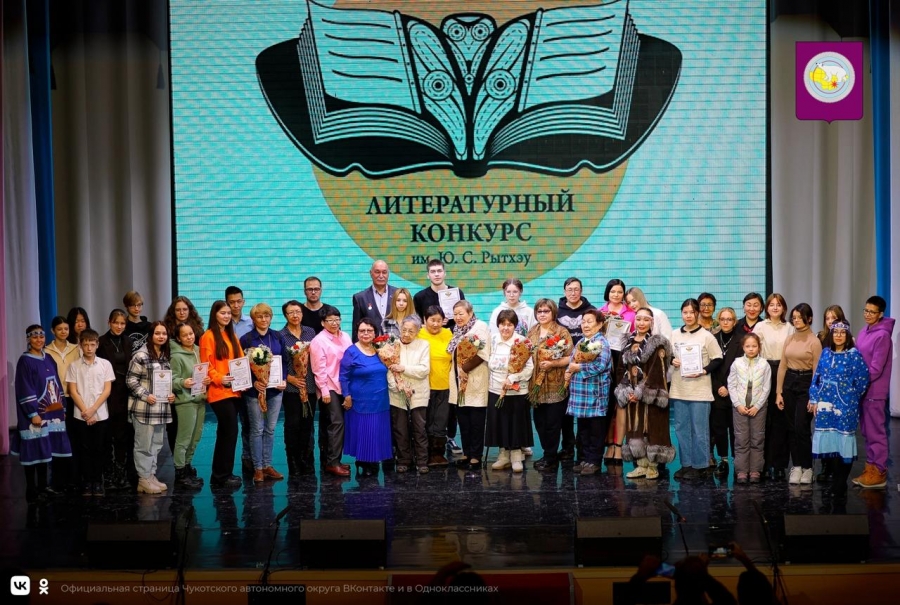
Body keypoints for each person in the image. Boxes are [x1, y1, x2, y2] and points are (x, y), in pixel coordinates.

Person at [810, 321, 869, 497]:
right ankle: (835, 481)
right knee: (832, 442)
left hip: (846, 405)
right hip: (825, 403)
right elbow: (817, 377)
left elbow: (863, 378)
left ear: (847, 335)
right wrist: (814, 397)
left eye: (842, 333)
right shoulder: (826, 353)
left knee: (844, 442)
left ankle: (840, 483)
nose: (838, 335)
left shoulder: (854, 355)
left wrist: (851, 395)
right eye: (835, 332)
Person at [14, 325, 72, 503]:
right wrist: (32, 413)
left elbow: (56, 383)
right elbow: (24, 388)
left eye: (41, 336)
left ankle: (43, 486)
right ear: (28, 339)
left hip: (51, 412)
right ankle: (31, 490)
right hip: (36, 414)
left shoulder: (48, 358)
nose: (39, 340)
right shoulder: (25, 361)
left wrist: (62, 407)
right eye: (35, 337)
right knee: (34, 450)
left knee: (45, 449)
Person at [616, 307, 674, 480]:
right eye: (639, 319)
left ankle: (653, 466)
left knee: (652, 428)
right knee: (636, 429)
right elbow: (621, 369)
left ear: (652, 322)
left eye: (646, 319)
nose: (641, 323)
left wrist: (640, 392)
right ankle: (641, 465)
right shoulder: (627, 343)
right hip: (632, 396)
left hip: (650, 394)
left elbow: (657, 372)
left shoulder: (657, 343)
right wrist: (626, 391)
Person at [671, 299, 723, 481]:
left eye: (692, 312)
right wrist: (671, 360)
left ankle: (700, 465)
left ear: (697, 314)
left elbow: (718, 359)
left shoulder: (707, 336)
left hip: (700, 390)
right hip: (679, 389)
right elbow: (668, 355)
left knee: (699, 430)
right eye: (685, 312)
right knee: (681, 429)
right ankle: (686, 464)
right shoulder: (674, 334)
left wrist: (704, 370)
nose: (688, 316)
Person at [240, 303, 288, 483]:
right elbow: (242, 366)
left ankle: (267, 465)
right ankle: (258, 468)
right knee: (257, 429)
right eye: (260, 316)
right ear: (253, 319)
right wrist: (253, 382)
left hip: (275, 391)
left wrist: (283, 379)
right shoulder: (246, 339)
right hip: (254, 392)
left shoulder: (277, 336)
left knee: (270, 429)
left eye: (267, 316)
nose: (264, 319)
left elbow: (284, 361)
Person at [127, 321, 176, 494]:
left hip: (160, 410)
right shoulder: (141, 355)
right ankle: (143, 478)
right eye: (157, 333)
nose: (161, 336)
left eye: (164, 333)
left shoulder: (164, 356)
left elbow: (165, 382)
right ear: (151, 335)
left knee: (156, 444)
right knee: (144, 445)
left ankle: (151, 475)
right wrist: (145, 395)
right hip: (144, 410)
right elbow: (131, 380)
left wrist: (170, 394)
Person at [199, 300, 244, 488]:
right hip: (219, 392)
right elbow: (206, 366)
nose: (226, 316)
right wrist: (219, 378)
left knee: (229, 433)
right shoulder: (208, 336)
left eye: (228, 313)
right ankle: (221, 476)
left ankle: (223, 473)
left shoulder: (231, 335)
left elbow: (240, 361)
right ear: (214, 315)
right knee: (229, 431)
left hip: (234, 391)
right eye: (222, 313)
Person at [775, 303, 822, 485]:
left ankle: (808, 467)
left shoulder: (814, 341)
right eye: (793, 317)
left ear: (809, 318)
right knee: (791, 428)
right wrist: (779, 392)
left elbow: (817, 371)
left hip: (806, 383)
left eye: (800, 317)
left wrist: (814, 396)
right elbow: (782, 366)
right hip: (789, 383)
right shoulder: (789, 339)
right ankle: (796, 466)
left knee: (801, 426)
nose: (796, 320)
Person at [340, 318, 393, 477]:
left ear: (375, 333)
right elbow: (343, 376)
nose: (366, 334)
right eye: (362, 331)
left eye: (369, 330)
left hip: (382, 400)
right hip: (361, 402)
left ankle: (376, 460)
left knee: (377, 432)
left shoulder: (381, 349)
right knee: (365, 433)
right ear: (357, 333)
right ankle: (364, 462)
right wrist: (347, 396)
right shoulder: (351, 352)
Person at [66, 328, 114, 497]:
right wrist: (86, 412)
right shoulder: (74, 366)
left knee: (99, 449)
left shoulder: (105, 364)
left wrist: (93, 410)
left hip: (100, 414)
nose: (89, 348)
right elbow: (73, 391)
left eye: (92, 344)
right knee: (84, 449)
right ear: (80, 345)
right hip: (81, 415)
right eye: (86, 344)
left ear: (97, 344)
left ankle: (98, 481)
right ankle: (87, 482)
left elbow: (107, 390)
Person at [853, 295, 895, 489]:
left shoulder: (883, 336)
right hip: (863, 389)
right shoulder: (864, 331)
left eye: (872, 312)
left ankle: (879, 471)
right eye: (866, 310)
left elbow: (876, 368)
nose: (867, 314)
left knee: (875, 432)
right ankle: (870, 468)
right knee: (866, 431)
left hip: (874, 392)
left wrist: (858, 381)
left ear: (880, 314)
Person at [486, 309, 535, 473]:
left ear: (515, 326)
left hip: (517, 391)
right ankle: (503, 455)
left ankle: (516, 456)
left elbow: (529, 368)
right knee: (500, 423)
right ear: (498, 325)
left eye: (509, 324)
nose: (505, 328)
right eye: (502, 324)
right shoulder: (492, 340)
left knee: (516, 423)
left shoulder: (522, 342)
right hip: (495, 389)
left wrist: (513, 378)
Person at [527, 299, 573, 473]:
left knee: (552, 424)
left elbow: (571, 357)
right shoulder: (532, 331)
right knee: (539, 423)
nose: (542, 314)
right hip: (536, 385)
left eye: (546, 311)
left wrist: (553, 363)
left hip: (556, 385)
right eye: (539, 311)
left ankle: (551, 458)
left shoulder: (562, 332)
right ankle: (547, 454)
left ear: (553, 313)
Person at [565, 309, 612, 475]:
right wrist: (568, 371)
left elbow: (600, 366)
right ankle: (584, 459)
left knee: (595, 431)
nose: (585, 325)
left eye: (590, 321)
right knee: (583, 430)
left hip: (594, 394)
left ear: (599, 324)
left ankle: (594, 461)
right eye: (583, 321)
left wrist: (578, 367)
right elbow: (572, 361)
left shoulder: (602, 343)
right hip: (580, 394)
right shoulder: (581, 342)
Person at [755, 293, 794, 481]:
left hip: (785, 371)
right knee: (765, 419)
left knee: (781, 420)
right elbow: (753, 349)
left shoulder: (790, 327)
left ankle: (779, 465)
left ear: (784, 308)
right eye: (772, 304)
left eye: (779, 304)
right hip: (764, 370)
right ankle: (763, 463)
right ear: (767, 308)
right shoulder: (760, 326)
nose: (775, 307)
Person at [448, 300, 491, 470]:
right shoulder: (457, 330)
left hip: (475, 380)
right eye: (455, 314)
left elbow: (483, 353)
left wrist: (464, 369)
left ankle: (476, 456)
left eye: (461, 314)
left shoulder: (480, 327)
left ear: (470, 313)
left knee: (476, 421)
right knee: (464, 421)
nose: (458, 317)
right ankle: (467, 454)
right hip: (459, 382)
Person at [310, 304, 353, 476]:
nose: (335, 323)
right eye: (330, 320)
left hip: (345, 385)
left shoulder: (345, 336)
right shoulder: (318, 341)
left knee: (338, 424)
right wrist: (324, 391)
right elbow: (318, 369)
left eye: (337, 319)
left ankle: (334, 460)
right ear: (323, 322)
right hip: (329, 387)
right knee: (336, 423)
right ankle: (332, 463)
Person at [557, 277, 594, 462]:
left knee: (582, 411)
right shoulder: (557, 312)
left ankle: (582, 448)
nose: (573, 292)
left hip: (583, 367)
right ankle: (567, 447)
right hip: (562, 367)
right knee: (565, 411)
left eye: (576, 289)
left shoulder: (590, 311)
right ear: (564, 291)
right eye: (569, 289)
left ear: (581, 291)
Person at [387, 316, 431, 474]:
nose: (406, 334)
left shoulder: (423, 344)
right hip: (397, 393)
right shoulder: (392, 344)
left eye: (411, 331)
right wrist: (397, 386)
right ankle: (403, 459)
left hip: (418, 393)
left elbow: (424, 369)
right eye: (404, 330)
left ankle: (422, 461)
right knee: (400, 429)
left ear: (418, 331)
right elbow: (389, 370)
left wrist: (403, 368)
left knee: (420, 428)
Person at [97, 309, 135, 490]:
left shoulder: (128, 341)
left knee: (122, 436)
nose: (119, 326)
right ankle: (108, 473)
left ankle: (121, 473)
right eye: (116, 323)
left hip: (125, 393)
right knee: (106, 436)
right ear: (109, 322)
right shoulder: (101, 342)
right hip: (107, 393)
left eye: (122, 323)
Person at [728, 333, 771, 484]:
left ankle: (755, 470)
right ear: (743, 347)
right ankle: (741, 470)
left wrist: (757, 406)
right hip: (739, 407)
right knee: (741, 439)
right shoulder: (736, 363)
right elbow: (731, 385)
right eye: (748, 346)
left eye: (754, 346)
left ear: (759, 347)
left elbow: (766, 387)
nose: (751, 349)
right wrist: (737, 404)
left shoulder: (765, 364)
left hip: (758, 408)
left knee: (757, 439)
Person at [279, 300, 317, 475]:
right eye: (291, 312)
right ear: (285, 315)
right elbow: (277, 363)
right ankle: (293, 463)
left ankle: (306, 461)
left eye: (298, 312)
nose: (295, 315)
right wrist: (289, 378)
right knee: (293, 425)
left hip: (309, 386)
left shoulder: (310, 332)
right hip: (291, 389)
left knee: (307, 425)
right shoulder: (281, 335)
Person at [170, 322, 209, 489]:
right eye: (185, 335)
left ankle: (187, 466)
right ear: (178, 338)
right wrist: (182, 382)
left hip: (200, 399)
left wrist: (207, 379)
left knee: (195, 438)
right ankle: (180, 472)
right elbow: (172, 379)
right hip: (185, 402)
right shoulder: (176, 356)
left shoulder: (199, 351)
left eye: (191, 333)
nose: (189, 337)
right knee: (184, 439)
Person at [601, 278, 635, 466]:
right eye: (613, 291)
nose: (616, 295)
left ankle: (618, 446)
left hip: (623, 362)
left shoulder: (631, 314)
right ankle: (608, 445)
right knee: (606, 405)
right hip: (605, 362)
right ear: (607, 293)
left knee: (621, 405)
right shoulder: (600, 312)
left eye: (619, 292)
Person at [45, 315, 81, 491]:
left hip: (74, 397)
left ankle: (74, 477)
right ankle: (57, 479)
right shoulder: (46, 351)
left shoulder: (76, 348)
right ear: (53, 331)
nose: (63, 332)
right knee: (57, 438)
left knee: (73, 438)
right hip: (55, 400)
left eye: (66, 329)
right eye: (59, 329)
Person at [814, 305, 847, 483]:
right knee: (824, 430)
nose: (830, 322)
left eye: (834, 318)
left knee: (838, 429)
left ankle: (837, 467)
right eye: (827, 318)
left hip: (841, 392)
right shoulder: (820, 337)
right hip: (824, 391)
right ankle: (825, 466)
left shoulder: (848, 340)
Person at [710, 308, 742, 478]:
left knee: (735, 430)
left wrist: (729, 387)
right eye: (723, 319)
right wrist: (718, 387)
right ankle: (723, 460)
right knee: (719, 429)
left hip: (735, 391)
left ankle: (737, 461)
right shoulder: (713, 339)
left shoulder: (741, 341)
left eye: (729, 319)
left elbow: (743, 368)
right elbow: (710, 367)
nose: (726, 322)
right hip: (717, 391)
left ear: (734, 321)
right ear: (718, 320)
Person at [419, 306, 453, 467]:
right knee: (425, 422)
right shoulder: (418, 334)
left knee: (441, 421)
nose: (435, 324)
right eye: (432, 320)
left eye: (439, 320)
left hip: (445, 385)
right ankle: (423, 454)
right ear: (424, 320)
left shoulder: (448, 334)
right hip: (424, 386)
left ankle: (438, 454)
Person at [413, 258, 466, 330]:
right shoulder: (419, 297)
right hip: (429, 336)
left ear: (445, 273)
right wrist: (435, 322)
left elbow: (465, 318)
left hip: (454, 334)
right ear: (428, 275)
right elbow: (417, 323)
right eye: (433, 272)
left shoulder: (457, 293)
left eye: (439, 271)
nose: (436, 274)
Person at [351, 259, 397, 339]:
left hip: (395, 343)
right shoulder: (360, 298)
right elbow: (356, 329)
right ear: (371, 273)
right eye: (377, 272)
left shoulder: (398, 294)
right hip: (369, 344)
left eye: (384, 272)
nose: (381, 276)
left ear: (388, 274)